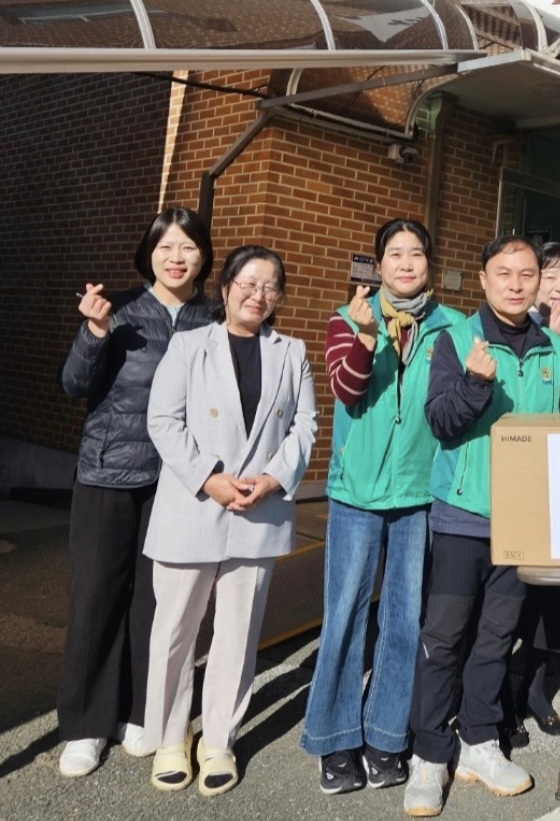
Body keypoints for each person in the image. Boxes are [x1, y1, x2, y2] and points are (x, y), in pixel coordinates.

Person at [141, 245, 317, 796]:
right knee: (174, 631)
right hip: (194, 504)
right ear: (226, 286)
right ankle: (170, 736)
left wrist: (274, 476)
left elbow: (306, 426)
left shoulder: (292, 351)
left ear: (280, 298)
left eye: (270, 286)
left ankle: (219, 738)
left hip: (258, 510)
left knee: (238, 634)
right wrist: (209, 477)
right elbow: (163, 421)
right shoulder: (189, 344)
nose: (257, 293)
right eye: (247, 281)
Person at [300, 219, 462, 793]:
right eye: (395, 253)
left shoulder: (452, 328)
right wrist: (367, 338)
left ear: (429, 263)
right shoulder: (347, 319)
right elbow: (346, 388)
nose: (406, 263)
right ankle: (334, 737)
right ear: (378, 263)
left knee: (402, 620)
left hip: (419, 491)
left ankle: (387, 735)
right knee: (343, 613)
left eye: (417, 253)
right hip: (356, 491)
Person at [404, 235, 560, 818]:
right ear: (483, 279)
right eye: (504, 273)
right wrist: (473, 383)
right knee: (443, 635)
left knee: (497, 638)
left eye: (527, 274)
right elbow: (442, 423)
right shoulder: (455, 340)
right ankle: (428, 753)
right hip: (462, 516)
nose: (517, 284)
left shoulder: (553, 349)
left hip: (522, 522)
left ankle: (479, 741)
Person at [56, 207, 214, 778]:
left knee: (157, 602)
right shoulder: (117, 309)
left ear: (204, 256)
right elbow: (74, 384)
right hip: (109, 472)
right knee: (97, 596)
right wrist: (93, 334)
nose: (177, 256)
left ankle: (142, 711)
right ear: (149, 253)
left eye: (188, 247)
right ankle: (86, 726)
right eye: (166, 246)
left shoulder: (213, 317)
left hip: (178, 480)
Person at [503, 241, 560, 747]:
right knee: (516, 600)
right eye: (549, 277)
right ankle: (506, 698)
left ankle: (534, 690)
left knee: (558, 599)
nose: (559, 288)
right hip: (525, 485)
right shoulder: (524, 329)